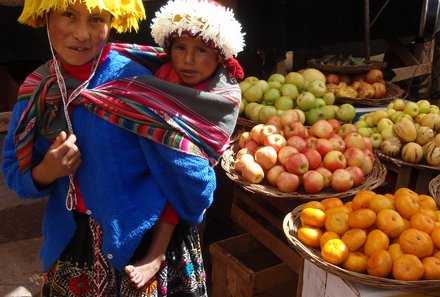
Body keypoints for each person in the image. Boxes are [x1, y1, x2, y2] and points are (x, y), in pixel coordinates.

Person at [1, 0, 244, 296]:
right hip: (72, 247)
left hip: (142, 241)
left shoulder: (137, 83)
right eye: (68, 15)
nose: (81, 34)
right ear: (44, 15)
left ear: (111, 22)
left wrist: (194, 187)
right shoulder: (39, 88)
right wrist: (44, 172)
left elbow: (191, 181)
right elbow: (15, 173)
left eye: (96, 19)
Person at [123, 0, 245, 289]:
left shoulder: (224, 93)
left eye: (201, 50)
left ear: (219, 55)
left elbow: (208, 142)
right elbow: (140, 105)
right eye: (180, 48)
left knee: (180, 172)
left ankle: (157, 251)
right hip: (143, 166)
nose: (188, 60)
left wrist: (172, 147)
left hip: (183, 178)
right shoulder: (161, 75)